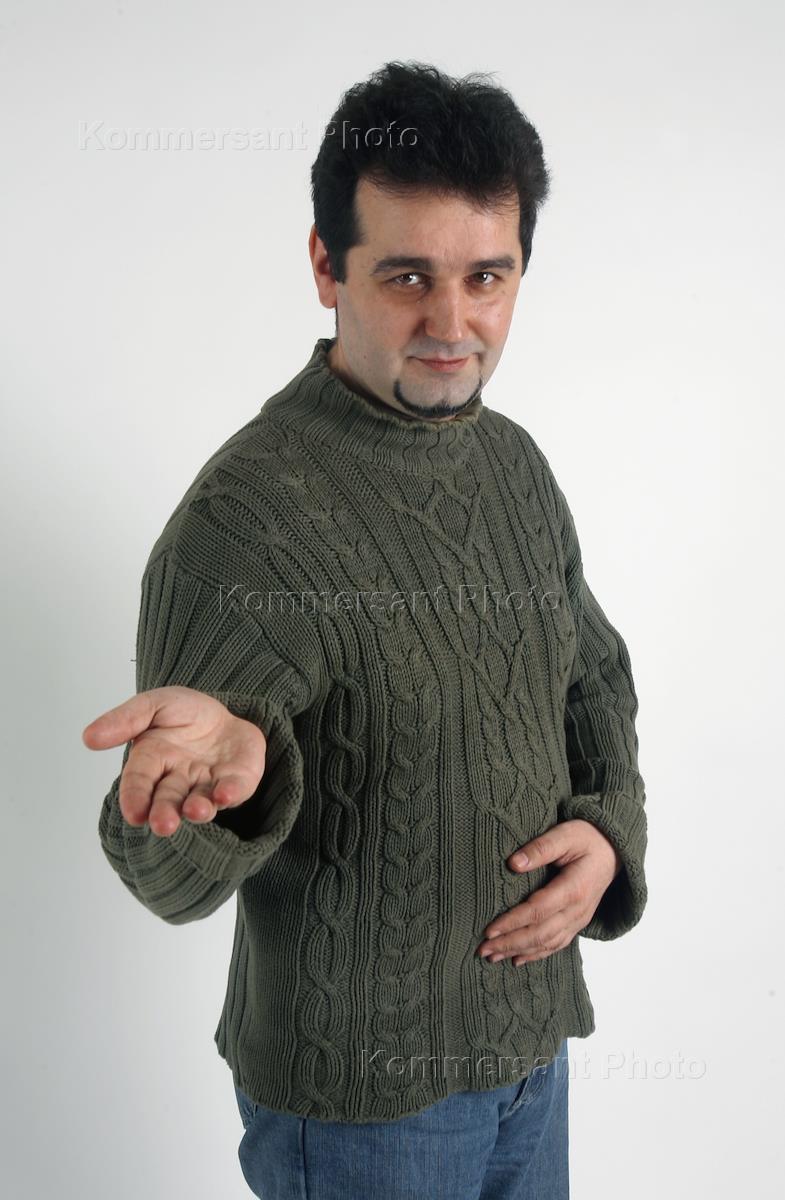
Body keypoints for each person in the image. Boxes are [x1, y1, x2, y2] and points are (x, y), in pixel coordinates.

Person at [82, 60, 648, 1200]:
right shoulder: (247, 520)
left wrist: (607, 834)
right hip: (357, 1108)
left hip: (530, 1053)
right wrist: (222, 786)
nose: (452, 323)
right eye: (406, 276)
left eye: (485, 277)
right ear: (324, 266)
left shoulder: (512, 466)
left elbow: (592, 680)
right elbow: (163, 874)